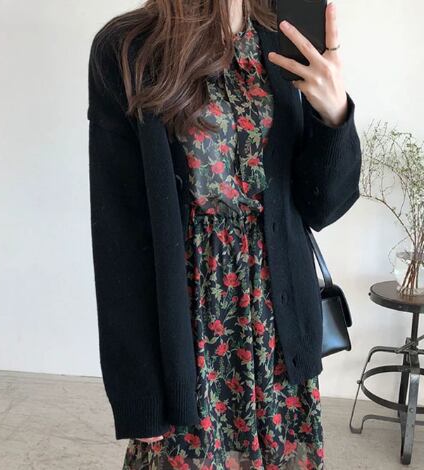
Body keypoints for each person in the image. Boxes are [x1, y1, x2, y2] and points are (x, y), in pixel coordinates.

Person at [87, 0, 361, 468]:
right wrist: (140, 398)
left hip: (277, 330)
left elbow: (323, 207)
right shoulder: (129, 47)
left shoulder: (279, 36)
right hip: (187, 330)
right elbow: (119, 237)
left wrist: (334, 114)